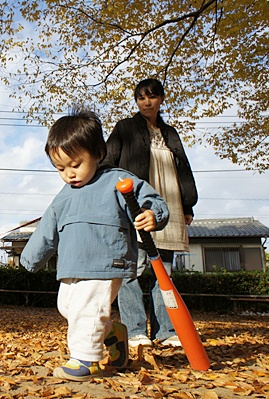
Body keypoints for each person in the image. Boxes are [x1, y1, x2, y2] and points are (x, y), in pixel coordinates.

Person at [20, 109, 169, 382]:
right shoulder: (63, 197)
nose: (68, 174)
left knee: (86, 309)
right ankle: (113, 334)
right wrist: (30, 258)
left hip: (107, 261)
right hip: (72, 264)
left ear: (98, 153)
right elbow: (46, 229)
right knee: (68, 307)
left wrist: (152, 213)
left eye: (75, 165)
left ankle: (86, 359)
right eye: (60, 168)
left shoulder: (116, 180)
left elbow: (150, 199)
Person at [104, 78, 198, 348]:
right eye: (141, 97)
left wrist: (188, 204)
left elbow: (183, 170)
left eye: (152, 97)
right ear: (136, 101)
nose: (146, 102)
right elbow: (109, 161)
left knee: (164, 273)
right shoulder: (125, 127)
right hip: (136, 207)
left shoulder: (171, 134)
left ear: (161, 100)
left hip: (168, 209)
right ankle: (135, 331)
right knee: (131, 270)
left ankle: (165, 331)